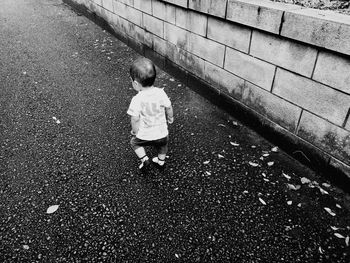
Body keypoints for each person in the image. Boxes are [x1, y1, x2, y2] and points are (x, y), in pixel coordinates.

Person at [127, 57, 174, 170]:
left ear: (136, 84)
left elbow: (135, 119)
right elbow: (168, 107)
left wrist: (135, 131)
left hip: (145, 134)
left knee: (135, 143)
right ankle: (161, 161)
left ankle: (145, 159)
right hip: (162, 133)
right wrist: (170, 117)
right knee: (163, 145)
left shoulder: (137, 99)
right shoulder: (161, 93)